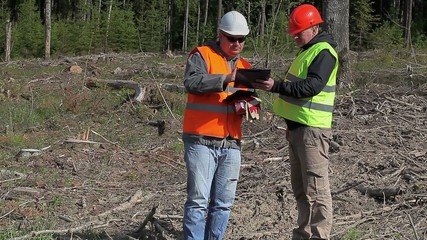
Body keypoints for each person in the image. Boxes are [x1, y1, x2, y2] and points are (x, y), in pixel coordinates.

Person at [252, 3, 338, 240]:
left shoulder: (323, 52)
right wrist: (291, 126)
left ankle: (319, 236)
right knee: (301, 190)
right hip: (299, 131)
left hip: (312, 132)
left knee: (317, 191)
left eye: (299, 32)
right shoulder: (308, 50)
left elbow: (312, 86)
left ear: (314, 28)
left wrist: (276, 86)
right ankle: (302, 234)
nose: (295, 37)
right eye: (294, 33)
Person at [181, 10, 258, 240]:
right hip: (201, 139)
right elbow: (191, 82)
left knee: (223, 204)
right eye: (232, 38)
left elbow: (245, 98)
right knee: (198, 202)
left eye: (241, 39)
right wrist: (225, 79)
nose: (237, 43)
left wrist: (251, 105)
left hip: (231, 142)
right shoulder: (201, 55)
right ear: (220, 35)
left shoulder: (245, 65)